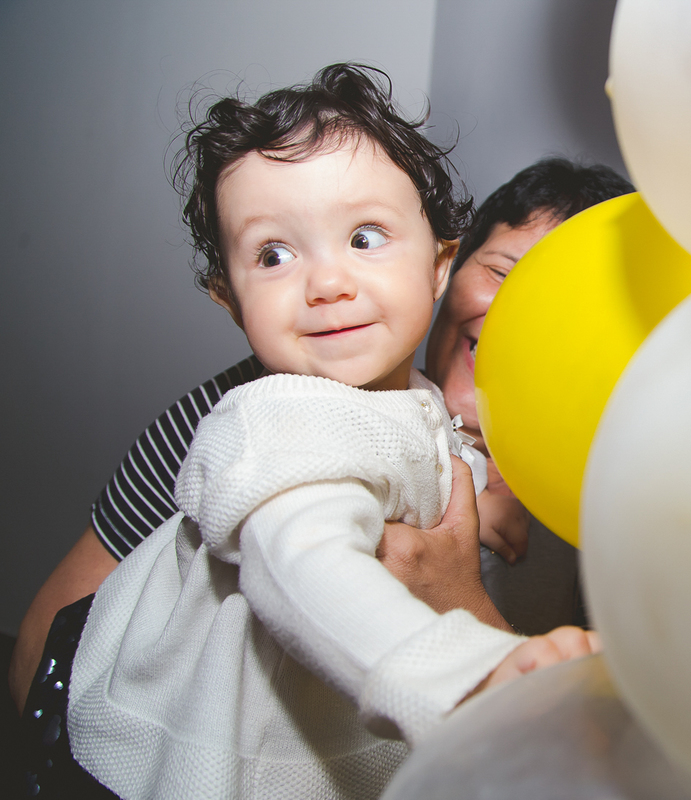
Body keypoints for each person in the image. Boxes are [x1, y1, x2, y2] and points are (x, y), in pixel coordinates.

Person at [55, 63, 599, 799]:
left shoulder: (415, 399)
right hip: (197, 764)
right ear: (229, 301)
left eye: (365, 237)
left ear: (437, 260)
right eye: (273, 255)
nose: (326, 281)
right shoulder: (271, 417)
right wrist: (469, 677)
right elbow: (302, 565)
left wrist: (474, 482)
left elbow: (415, 445)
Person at [10, 159, 634, 721]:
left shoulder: (599, 501)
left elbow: (565, 733)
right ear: (447, 266)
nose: (523, 311)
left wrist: (459, 593)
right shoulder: (262, 409)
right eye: (505, 273)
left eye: (567, 299)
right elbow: (53, 634)